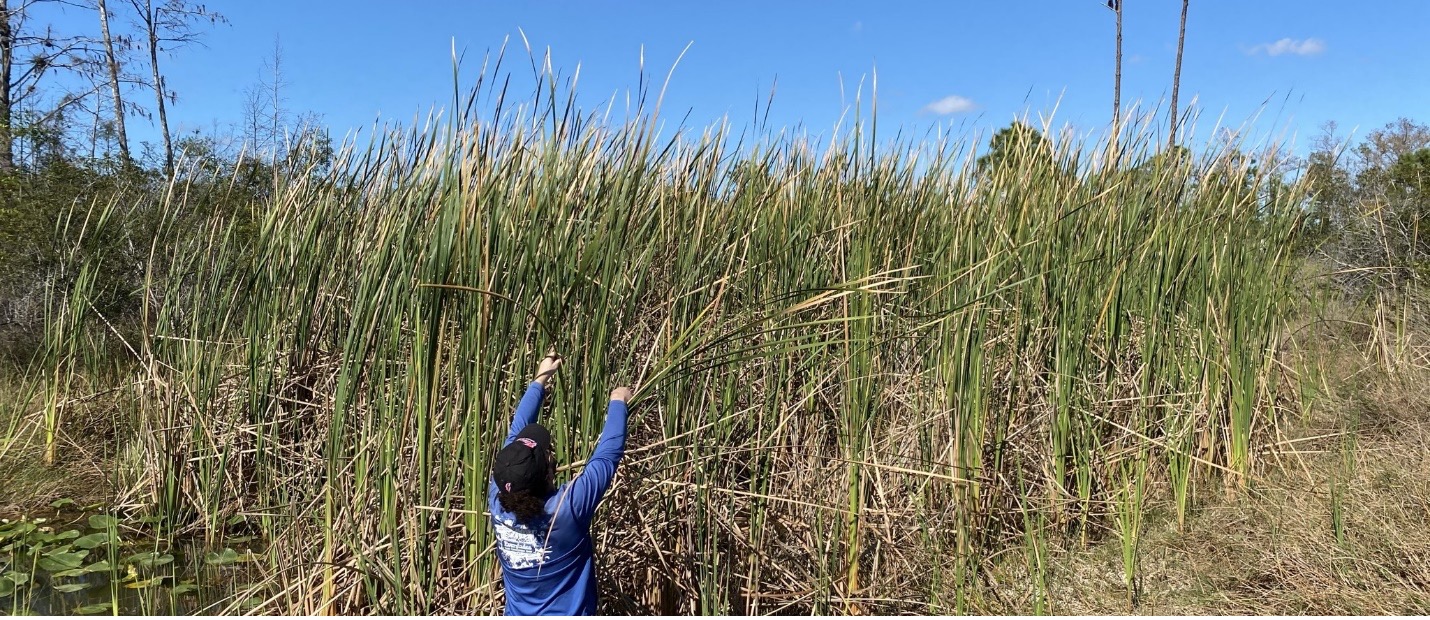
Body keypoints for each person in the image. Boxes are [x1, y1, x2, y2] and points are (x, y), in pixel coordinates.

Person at [489, 351, 632, 616]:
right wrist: (618, 400)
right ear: (547, 474)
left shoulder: (499, 495)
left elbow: (515, 432)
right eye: (548, 455)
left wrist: (540, 379)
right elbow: (606, 457)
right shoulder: (566, 510)